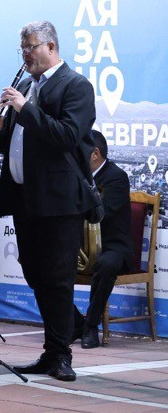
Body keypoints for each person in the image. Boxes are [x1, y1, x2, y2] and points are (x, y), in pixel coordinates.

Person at [0, 21, 96, 382]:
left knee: (58, 277)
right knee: (35, 273)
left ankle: (61, 355)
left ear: (51, 47)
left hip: (59, 200)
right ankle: (59, 342)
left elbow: (66, 135)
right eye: (22, 47)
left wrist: (25, 109)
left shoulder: (76, 85)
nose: (25, 54)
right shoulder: (26, 86)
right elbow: (13, 142)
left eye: (31, 47)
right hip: (25, 197)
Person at [74, 131, 133, 350]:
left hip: (112, 245)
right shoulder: (76, 173)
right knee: (43, 263)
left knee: (106, 265)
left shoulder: (117, 177)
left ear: (95, 154)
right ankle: (75, 323)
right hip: (81, 245)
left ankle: (90, 325)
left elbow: (103, 214)